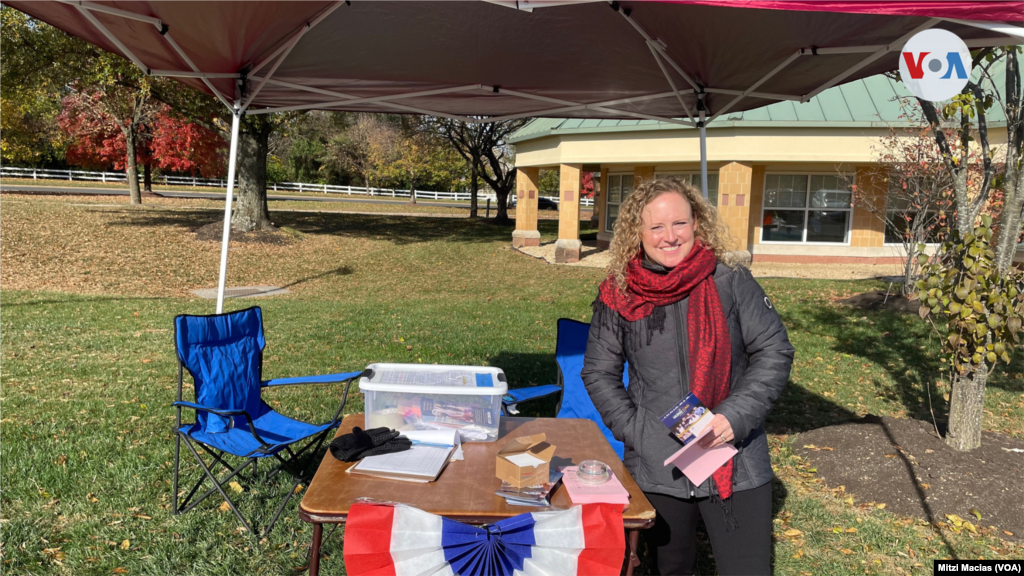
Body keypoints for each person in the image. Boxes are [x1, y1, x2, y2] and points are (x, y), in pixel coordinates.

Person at [581, 177, 794, 576]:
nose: (669, 236)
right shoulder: (619, 291)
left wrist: (734, 417)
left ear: (697, 222)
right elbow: (598, 371)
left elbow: (773, 351)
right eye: (656, 227)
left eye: (679, 223)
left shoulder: (730, 279)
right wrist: (639, 432)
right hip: (657, 466)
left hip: (736, 456)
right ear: (637, 233)